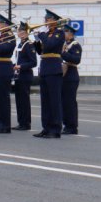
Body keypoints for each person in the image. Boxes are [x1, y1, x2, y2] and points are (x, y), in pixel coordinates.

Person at [32, 9, 65, 139]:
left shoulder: (59, 34)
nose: (45, 22)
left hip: (54, 69)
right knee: (45, 101)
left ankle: (56, 129)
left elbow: (51, 45)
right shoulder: (46, 34)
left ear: (54, 21)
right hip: (45, 68)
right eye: (45, 20)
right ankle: (46, 127)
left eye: (48, 19)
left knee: (54, 101)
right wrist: (36, 42)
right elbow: (41, 52)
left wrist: (41, 35)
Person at [12, 23, 36, 131]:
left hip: (25, 75)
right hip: (19, 75)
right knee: (19, 100)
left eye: (23, 32)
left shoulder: (29, 44)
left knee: (24, 101)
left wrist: (20, 66)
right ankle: (21, 122)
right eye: (19, 31)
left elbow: (33, 62)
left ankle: (26, 123)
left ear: (27, 33)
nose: (20, 33)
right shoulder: (20, 44)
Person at [61, 23, 82, 135]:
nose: (63, 34)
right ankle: (66, 124)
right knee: (64, 102)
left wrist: (63, 54)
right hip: (63, 76)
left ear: (70, 34)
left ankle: (72, 126)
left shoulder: (75, 45)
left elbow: (76, 59)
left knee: (70, 102)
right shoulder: (64, 44)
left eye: (64, 32)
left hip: (71, 76)